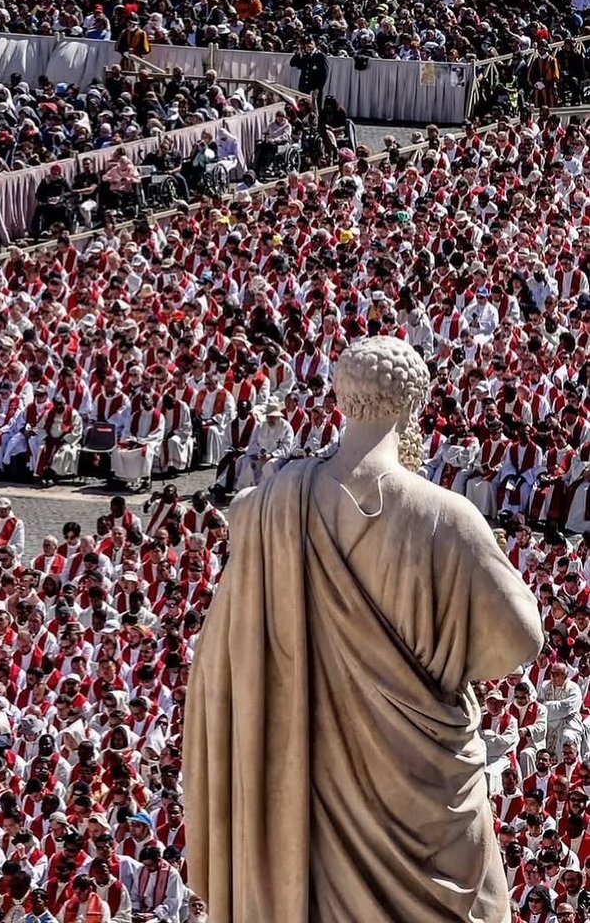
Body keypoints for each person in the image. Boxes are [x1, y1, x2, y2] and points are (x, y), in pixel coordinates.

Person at [185, 336, 543, 923]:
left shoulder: (270, 507)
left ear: (340, 400)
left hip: (309, 780)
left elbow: (221, 662)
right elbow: (521, 639)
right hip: (425, 789)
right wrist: (444, 651)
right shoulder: (445, 517)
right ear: (413, 406)